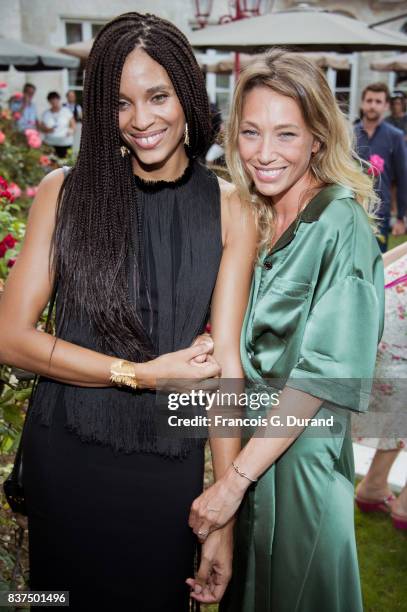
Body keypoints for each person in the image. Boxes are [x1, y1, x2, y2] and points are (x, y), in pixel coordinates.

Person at [0, 12, 257, 611]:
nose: (141, 120)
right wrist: (140, 373)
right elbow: (10, 337)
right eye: (120, 102)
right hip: (66, 456)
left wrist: (223, 513)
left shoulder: (229, 208)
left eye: (158, 96)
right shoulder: (63, 192)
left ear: (187, 94)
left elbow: (226, 366)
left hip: (165, 466)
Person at [187, 50, 384, 611]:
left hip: (301, 469)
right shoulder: (260, 217)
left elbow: (323, 374)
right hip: (252, 462)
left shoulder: (338, 221)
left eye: (285, 135)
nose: (264, 154)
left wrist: (231, 484)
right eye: (250, 132)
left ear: (318, 138)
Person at [355, 240, 407, 530]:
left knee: (401, 409)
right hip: (393, 348)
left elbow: (380, 264)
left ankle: (373, 485)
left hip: (373, 331)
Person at [354, 82, 407, 252]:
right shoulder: (349, 134)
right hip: (351, 208)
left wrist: (400, 218)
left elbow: (402, 177)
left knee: (377, 261)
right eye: (369, 100)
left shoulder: (395, 136)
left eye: (378, 102)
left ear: (385, 106)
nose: (372, 106)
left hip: (380, 212)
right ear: (362, 103)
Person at [39, 91, 75, 158]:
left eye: (55, 100)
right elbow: (41, 127)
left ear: (59, 100)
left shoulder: (66, 111)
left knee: (65, 165)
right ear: (49, 102)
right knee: (51, 165)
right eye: (52, 101)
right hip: (50, 144)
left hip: (65, 143)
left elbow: (73, 124)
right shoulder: (46, 114)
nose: (54, 102)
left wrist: (71, 131)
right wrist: (46, 129)